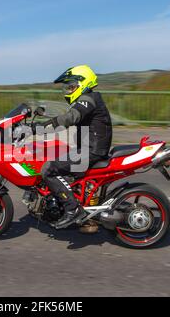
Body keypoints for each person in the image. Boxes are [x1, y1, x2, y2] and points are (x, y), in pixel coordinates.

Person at [34, 65, 113, 229]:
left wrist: (39, 128)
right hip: (89, 148)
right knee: (57, 155)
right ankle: (76, 206)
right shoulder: (89, 99)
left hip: (91, 151)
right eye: (67, 87)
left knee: (49, 170)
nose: (68, 90)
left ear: (83, 83)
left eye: (71, 86)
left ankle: (73, 209)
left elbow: (70, 117)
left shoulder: (88, 99)